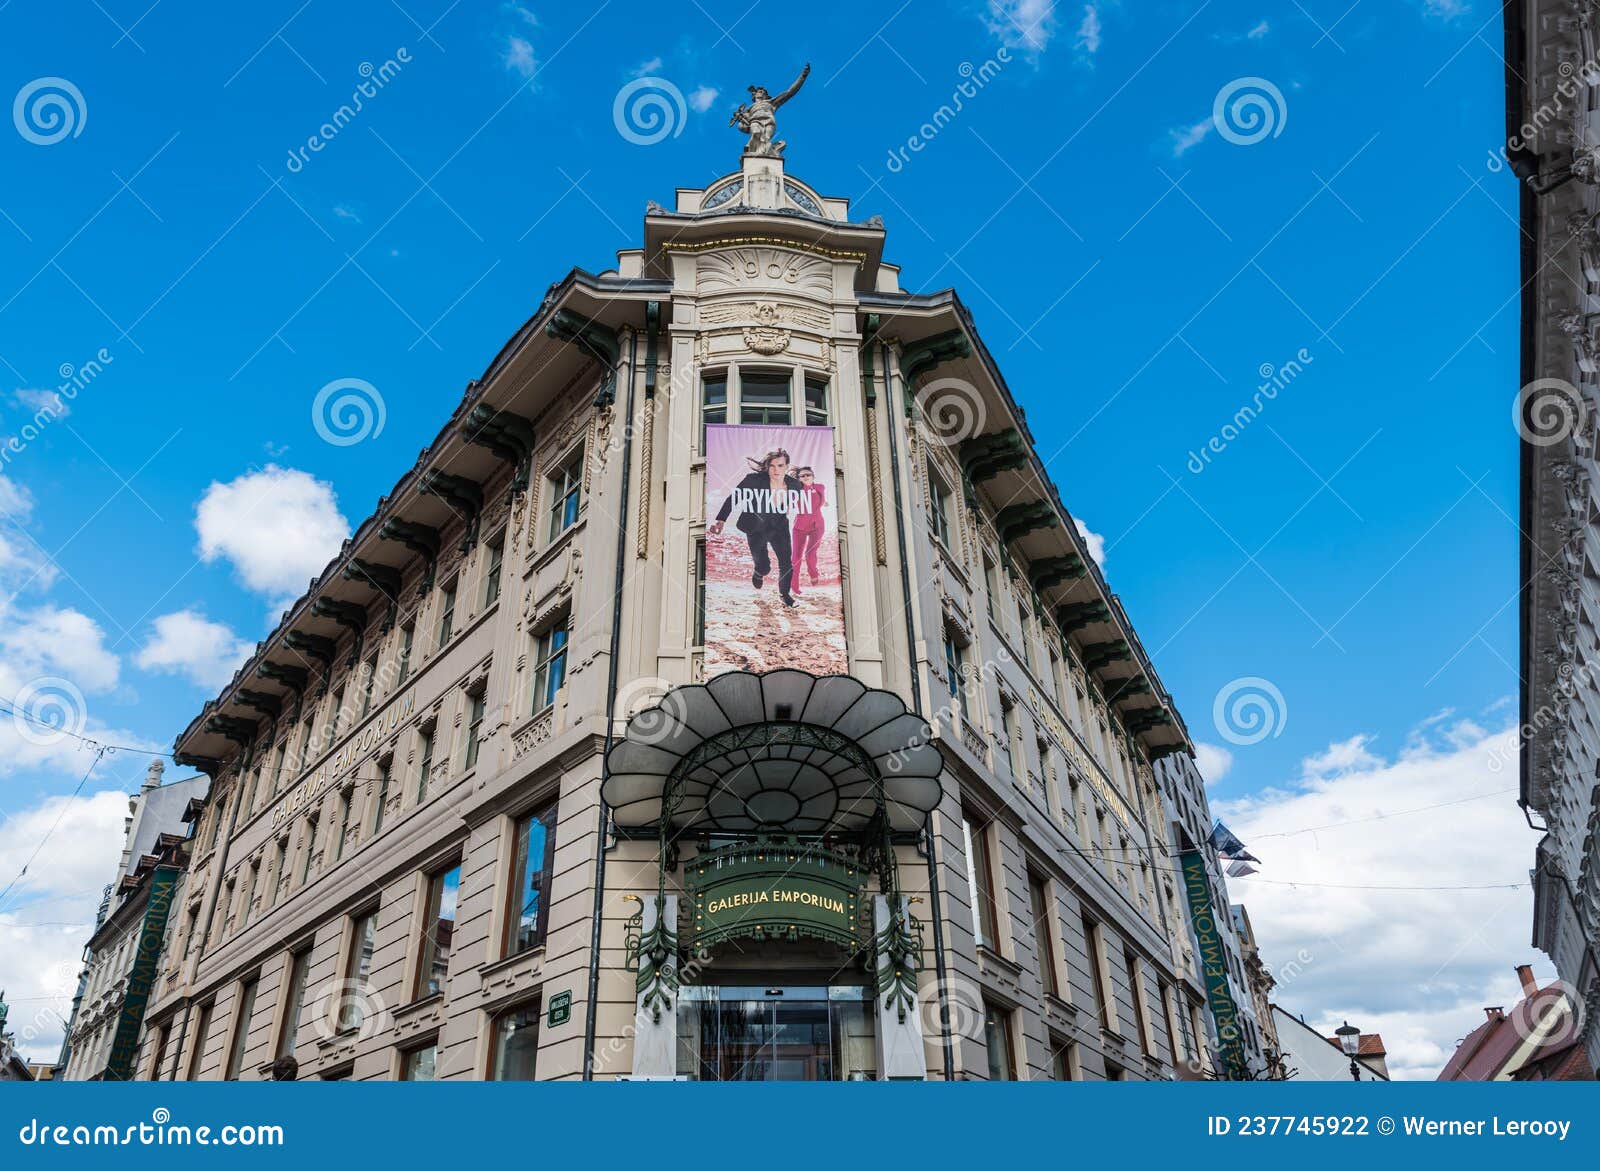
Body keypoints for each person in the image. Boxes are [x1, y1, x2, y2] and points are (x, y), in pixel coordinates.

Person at [709, 448, 803, 608]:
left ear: (787, 466)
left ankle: (785, 594)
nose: (776, 470)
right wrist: (721, 519)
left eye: (780, 466)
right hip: (756, 527)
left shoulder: (795, 485)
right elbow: (734, 497)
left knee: (786, 562)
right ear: (767, 466)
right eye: (772, 466)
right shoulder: (753, 480)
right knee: (764, 566)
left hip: (779, 526)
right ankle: (759, 573)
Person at [789, 466, 826, 596]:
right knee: (796, 558)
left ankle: (813, 574)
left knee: (810, 555)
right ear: (799, 479)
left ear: (813, 476)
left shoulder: (820, 487)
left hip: (817, 526)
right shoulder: (796, 490)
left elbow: (821, 499)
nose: (805, 477)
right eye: (802, 476)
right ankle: (794, 587)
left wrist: (824, 503)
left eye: (808, 475)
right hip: (800, 527)